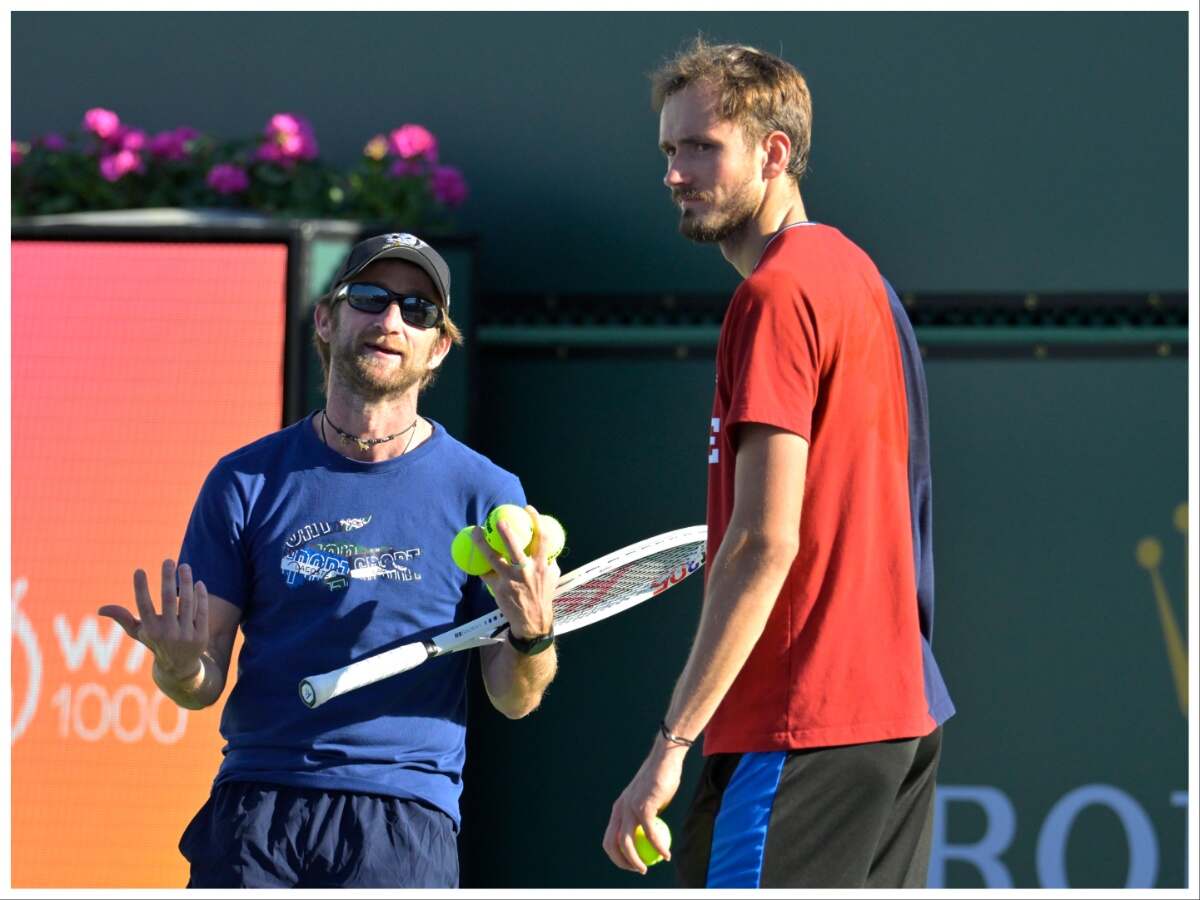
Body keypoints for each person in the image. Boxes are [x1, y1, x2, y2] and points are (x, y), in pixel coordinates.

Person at [99, 232, 560, 888]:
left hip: (405, 823)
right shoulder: (245, 480)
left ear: (438, 347)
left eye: (418, 310)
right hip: (258, 811)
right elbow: (200, 685)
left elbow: (514, 697)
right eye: (370, 298)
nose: (391, 321)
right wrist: (176, 666)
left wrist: (533, 634)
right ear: (327, 317)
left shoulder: (486, 495)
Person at [602, 39, 955, 888]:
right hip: (897, 716)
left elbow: (764, 543)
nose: (675, 174)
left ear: (774, 152)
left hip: (804, 722)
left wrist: (669, 747)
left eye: (700, 148)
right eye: (668, 150)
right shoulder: (859, 277)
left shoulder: (778, 293)